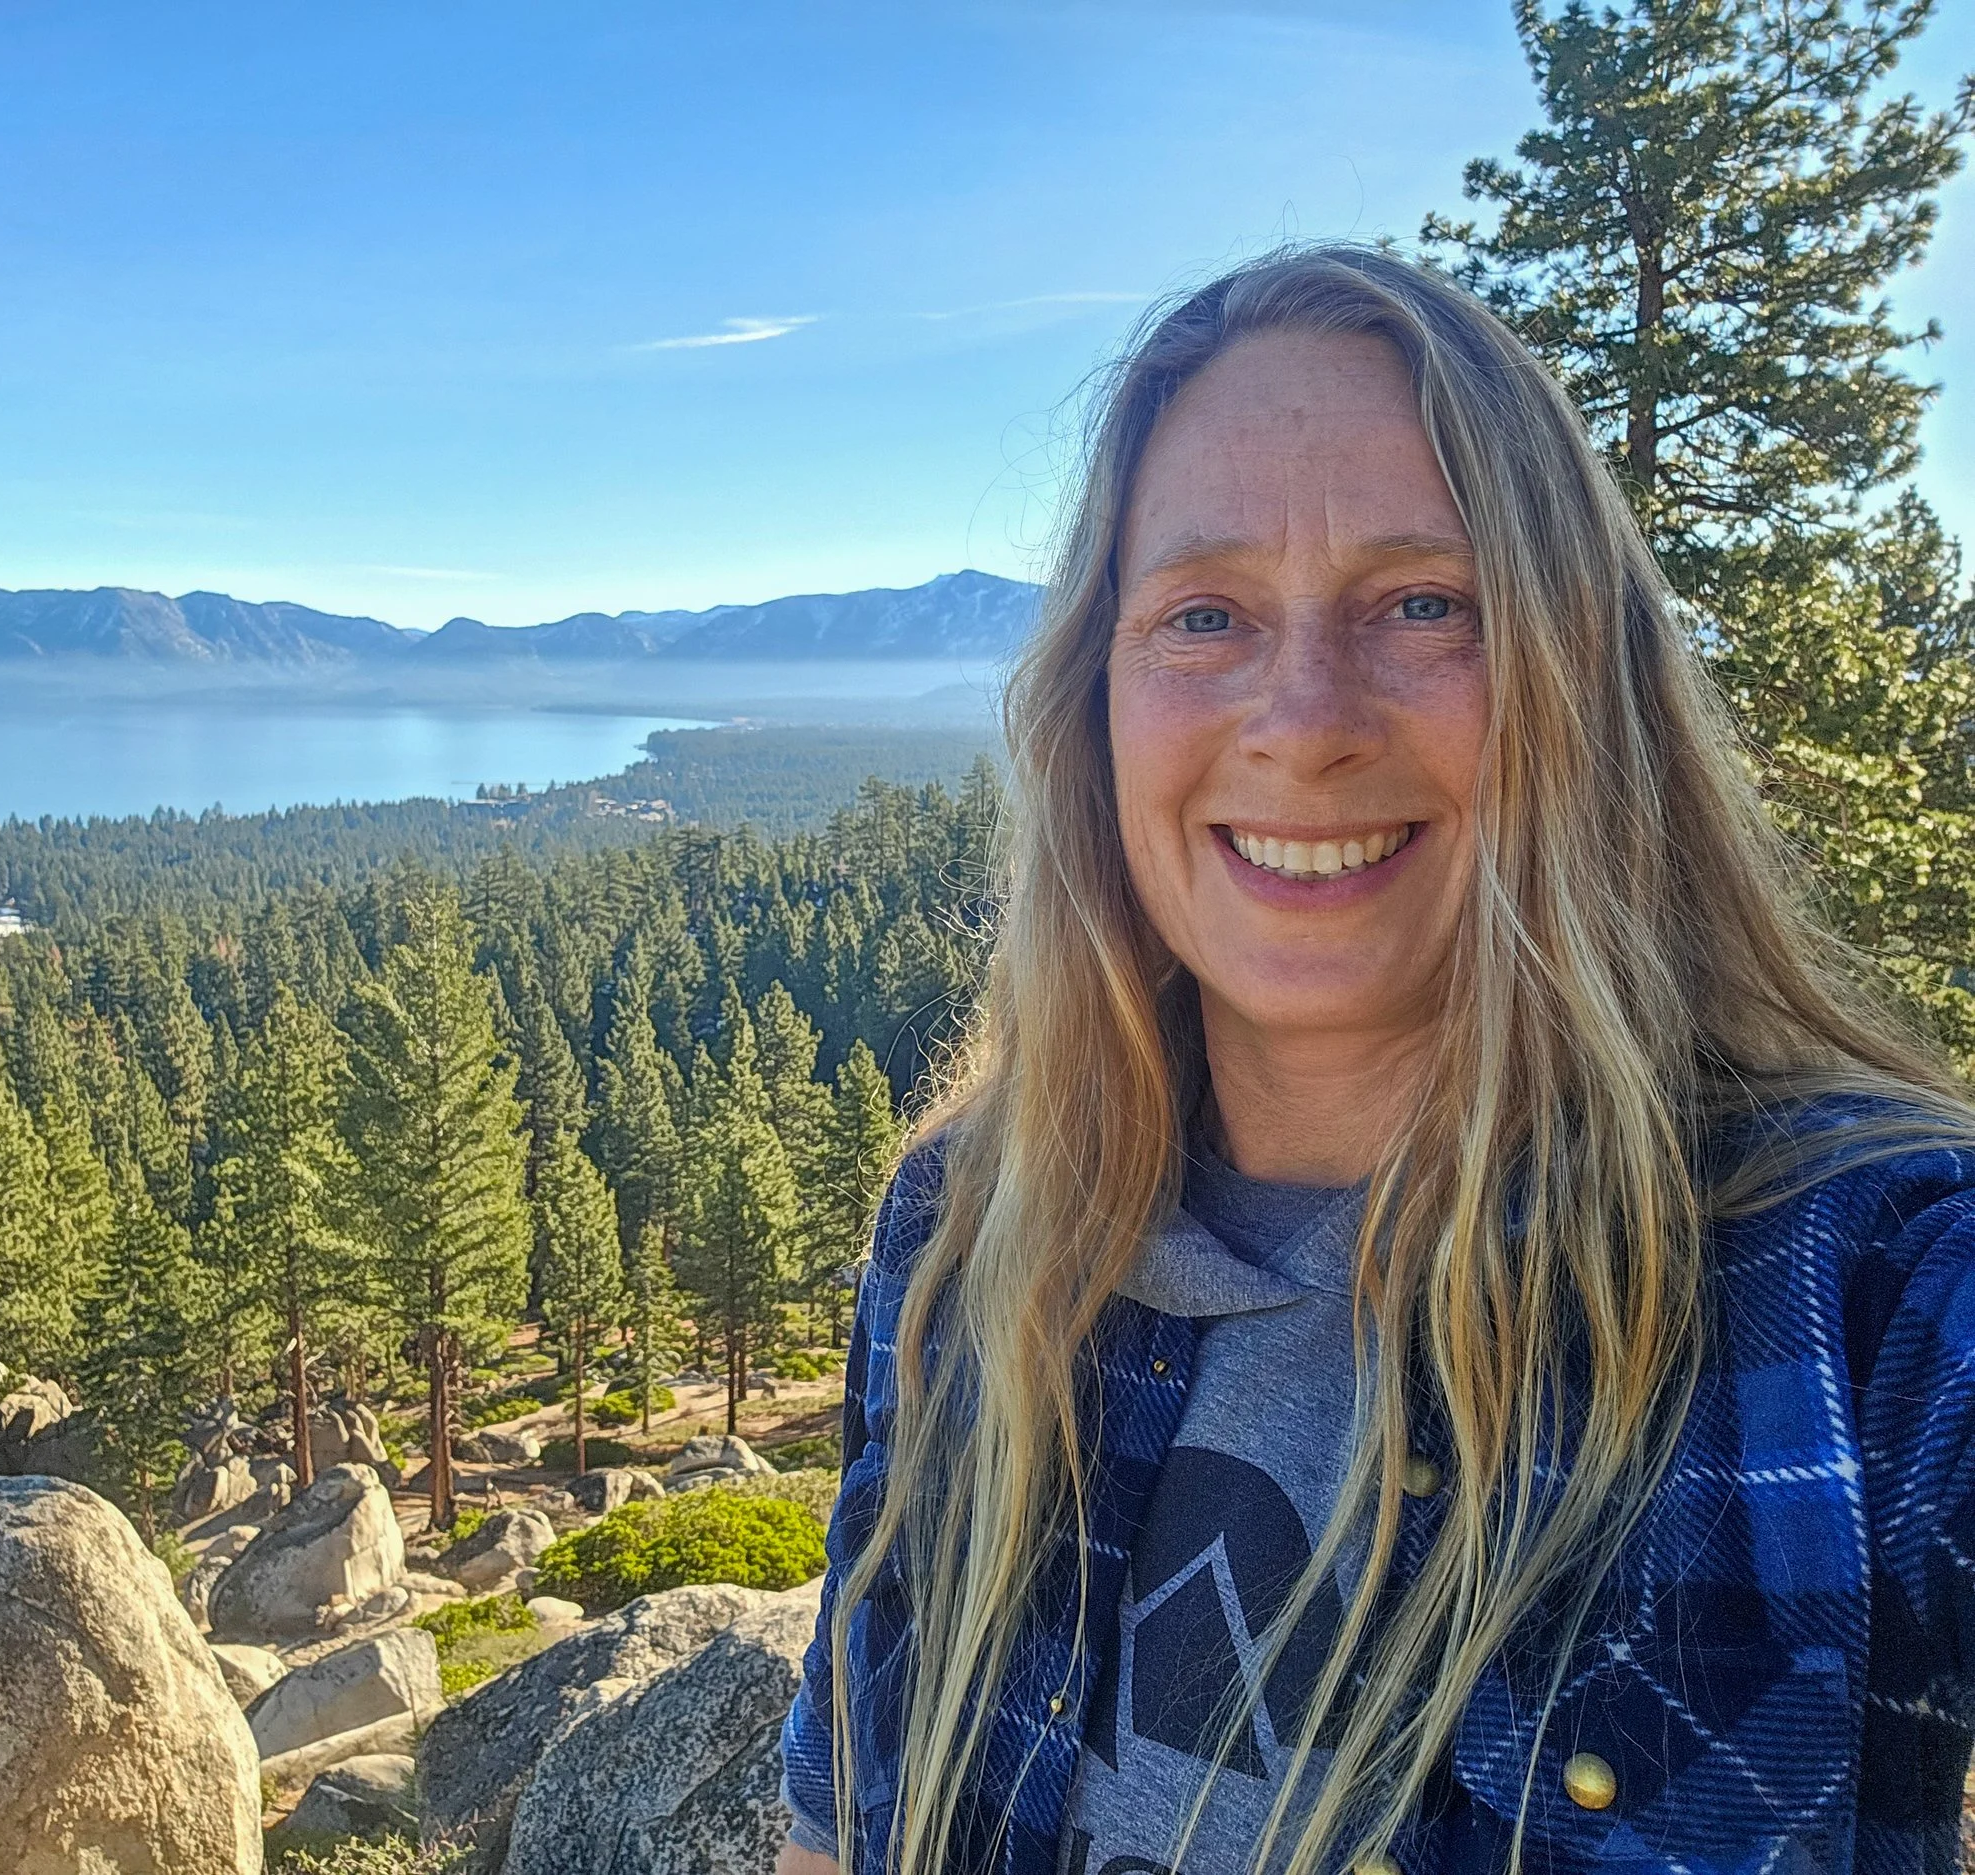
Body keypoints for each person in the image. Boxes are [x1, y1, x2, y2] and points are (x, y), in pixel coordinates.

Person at [773, 245, 1975, 1875]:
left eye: (1424, 604)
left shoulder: (1866, 1295)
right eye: (1204, 616)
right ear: (1094, 705)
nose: (1306, 718)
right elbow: (840, 1833)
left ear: (1582, 677)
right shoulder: (968, 1236)